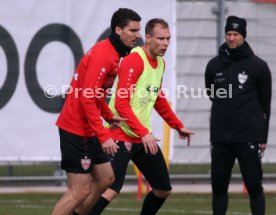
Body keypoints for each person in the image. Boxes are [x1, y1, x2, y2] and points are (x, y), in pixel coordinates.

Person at [87, 18, 194, 215]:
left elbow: (158, 98)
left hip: (142, 137)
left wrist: (177, 126)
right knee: (110, 188)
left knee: (163, 189)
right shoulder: (134, 60)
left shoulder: (160, 63)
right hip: (119, 134)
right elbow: (121, 103)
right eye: (161, 38)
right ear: (148, 38)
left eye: (168, 39)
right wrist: (144, 133)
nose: (165, 43)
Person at [51, 8, 141, 215]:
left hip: (88, 129)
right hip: (76, 129)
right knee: (79, 191)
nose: (138, 35)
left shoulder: (113, 53)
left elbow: (95, 92)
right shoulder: (104, 55)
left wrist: (108, 116)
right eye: (133, 30)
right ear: (118, 30)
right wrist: (104, 136)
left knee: (107, 178)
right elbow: (86, 97)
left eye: (139, 30)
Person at [205, 16, 272, 215]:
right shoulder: (214, 65)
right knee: (218, 187)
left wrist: (263, 137)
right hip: (220, 137)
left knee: (253, 186)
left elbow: (265, 104)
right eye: (228, 34)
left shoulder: (258, 66)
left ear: (243, 36)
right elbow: (211, 94)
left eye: (236, 34)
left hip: (248, 137)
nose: (231, 38)